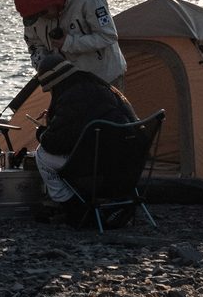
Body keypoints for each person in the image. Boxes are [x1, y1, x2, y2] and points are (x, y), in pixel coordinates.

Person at [30, 52, 138, 217]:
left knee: (42, 155)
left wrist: (42, 132)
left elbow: (55, 143)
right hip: (129, 164)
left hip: (100, 167)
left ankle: (73, 207)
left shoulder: (71, 97)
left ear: (55, 83)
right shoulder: (99, 86)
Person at [13, 0, 127, 85]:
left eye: (43, 12)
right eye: (34, 16)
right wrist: (44, 65)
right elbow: (34, 44)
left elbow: (108, 36)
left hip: (104, 78)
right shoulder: (33, 11)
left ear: (54, 1)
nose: (41, 18)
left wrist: (69, 43)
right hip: (65, 82)